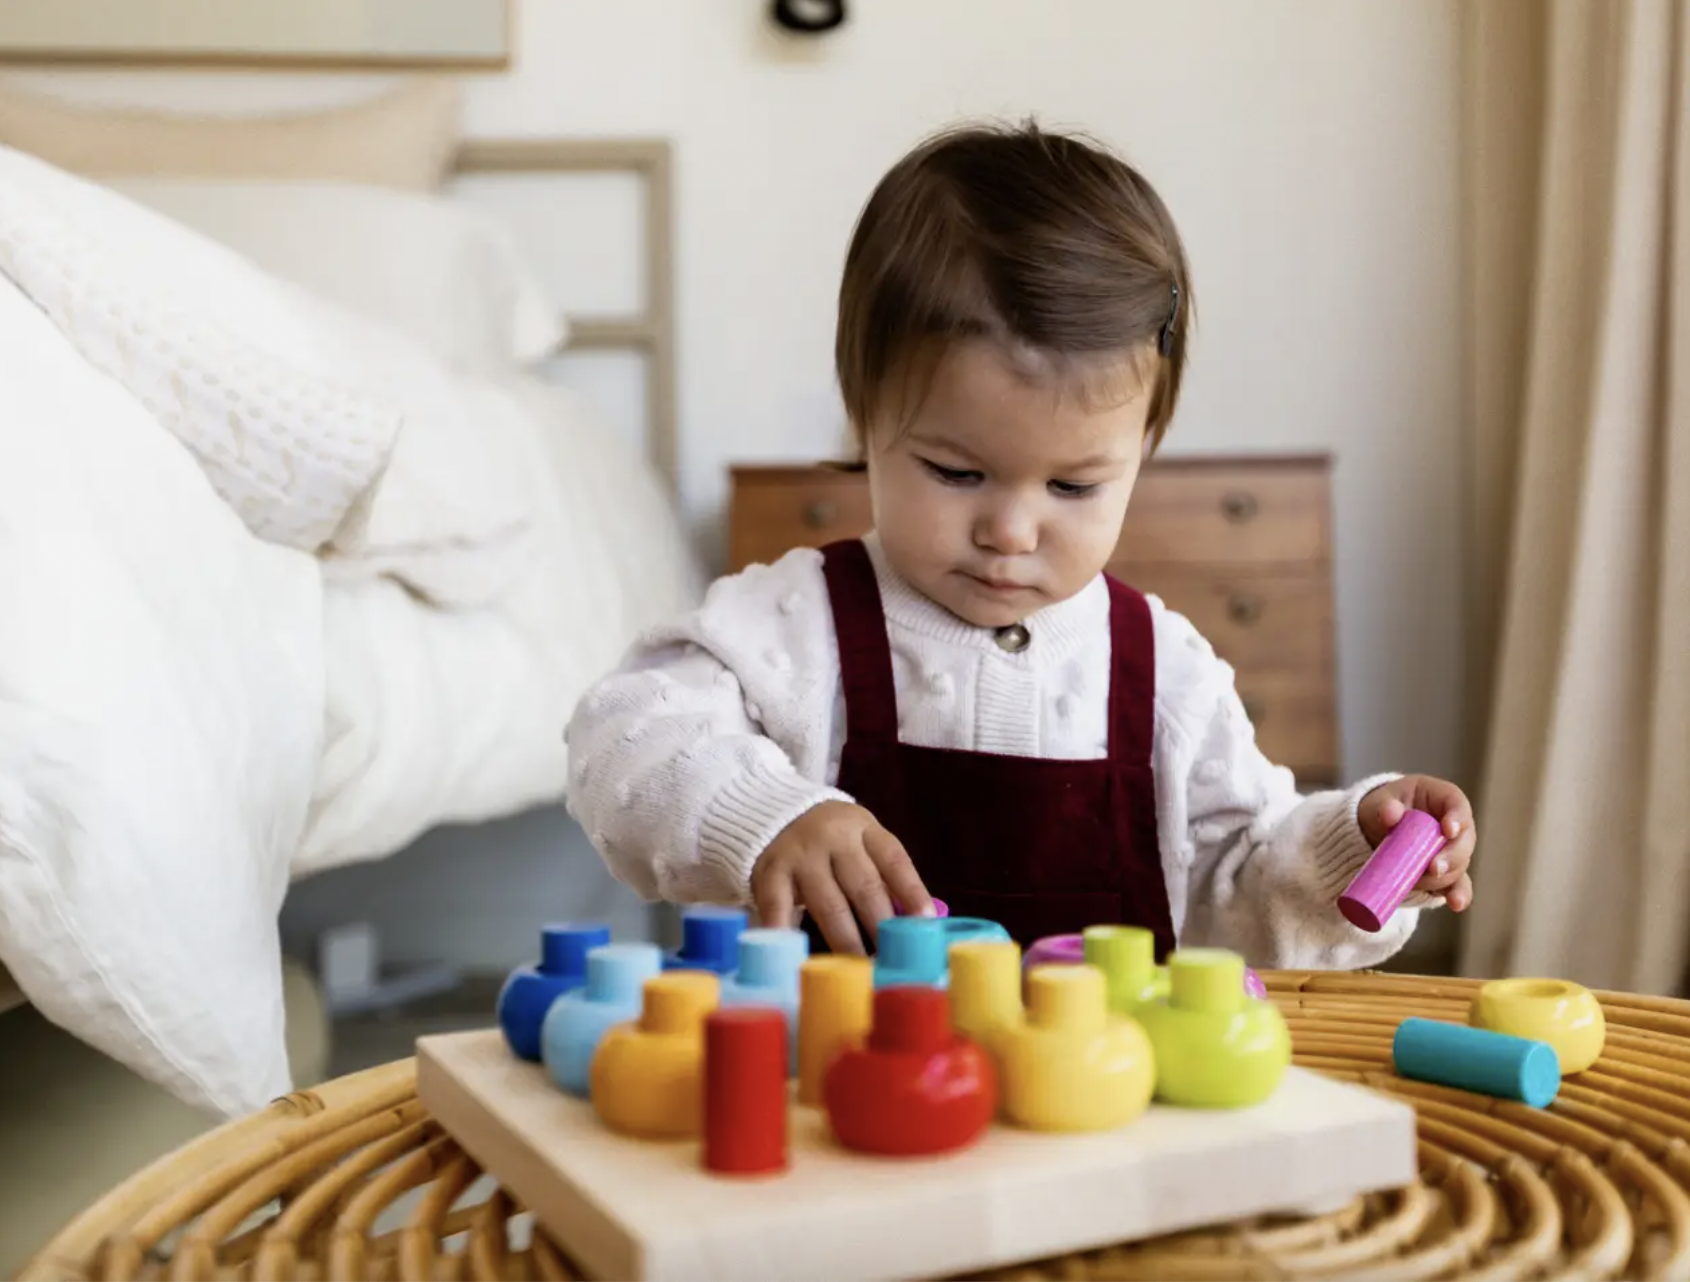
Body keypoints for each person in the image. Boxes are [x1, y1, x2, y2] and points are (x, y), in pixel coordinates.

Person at [565, 119, 1475, 968]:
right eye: (956, 473)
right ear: (866, 417)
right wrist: (760, 817)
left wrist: (1354, 842)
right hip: (837, 1112)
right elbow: (622, 740)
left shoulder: (1164, 671)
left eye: (1074, 486)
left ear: (1142, 451)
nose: (1010, 530)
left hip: (1101, 1118)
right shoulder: (796, 625)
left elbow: (1237, 886)